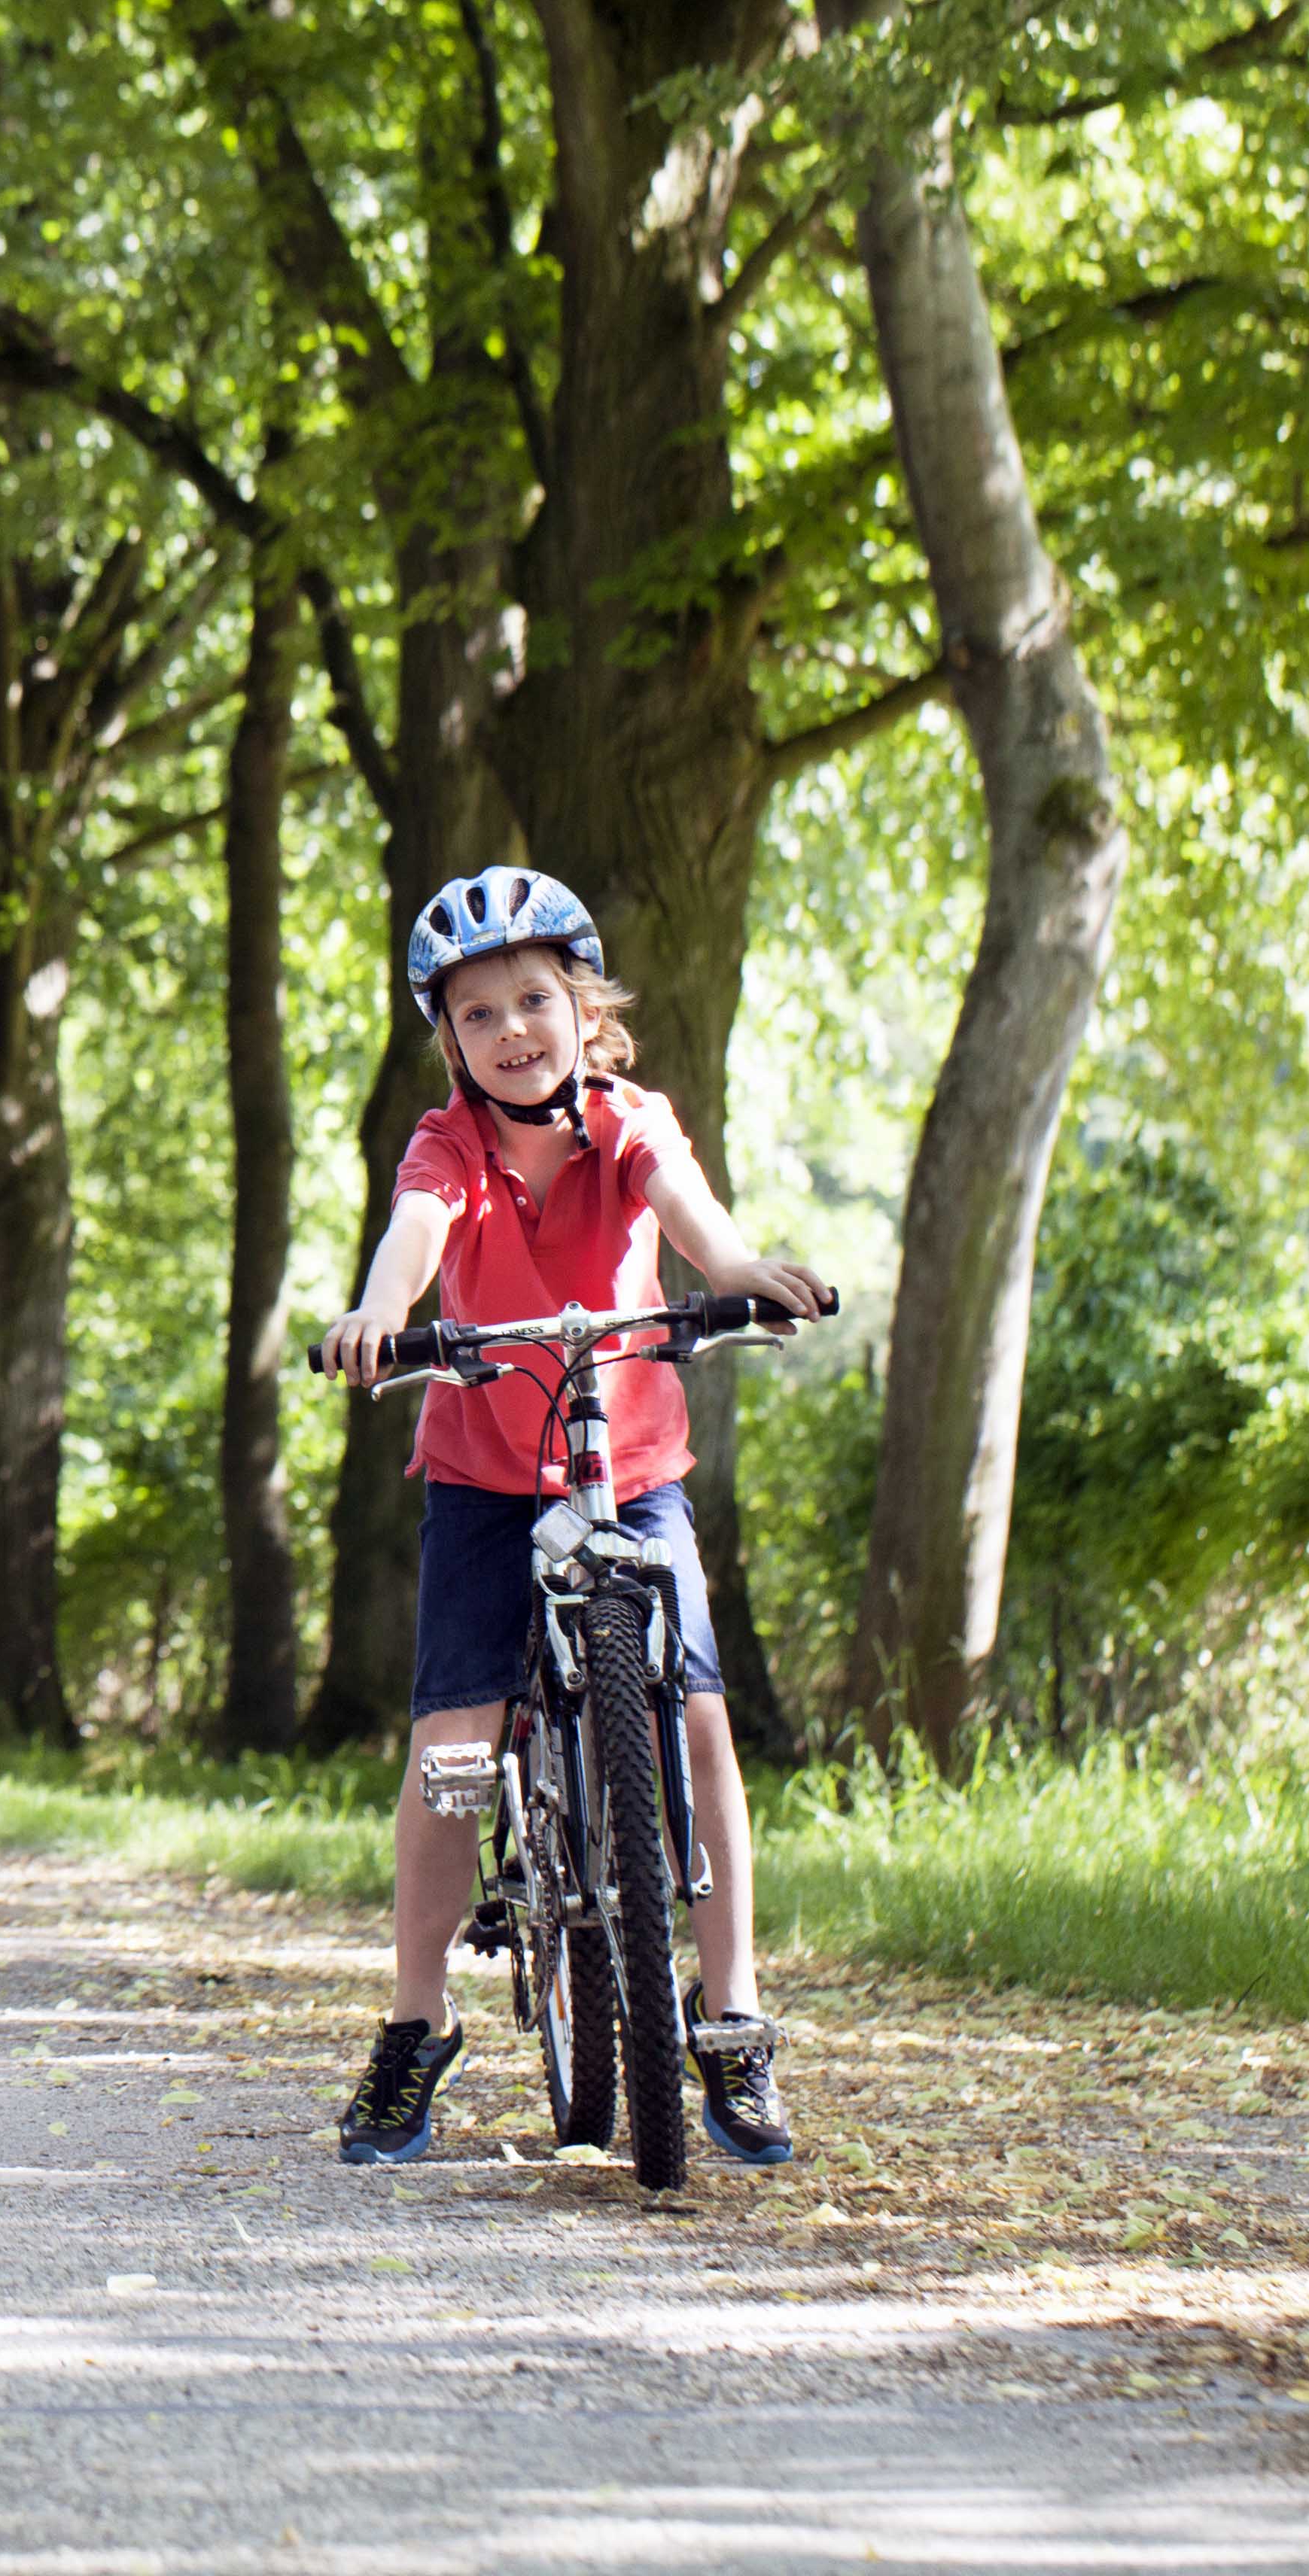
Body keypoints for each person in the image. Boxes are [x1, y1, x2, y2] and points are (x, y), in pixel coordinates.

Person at [312, 865, 826, 2168]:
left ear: (586, 1013)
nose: (511, 1030)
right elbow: (416, 1231)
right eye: (477, 1014)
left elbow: (680, 1201)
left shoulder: (629, 1117)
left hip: (632, 1462)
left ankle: (737, 2020)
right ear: (450, 1041)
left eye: (534, 999)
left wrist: (734, 1270)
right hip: (486, 1474)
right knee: (453, 1747)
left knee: (698, 1719)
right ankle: (412, 2028)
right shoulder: (450, 1145)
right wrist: (384, 1313)